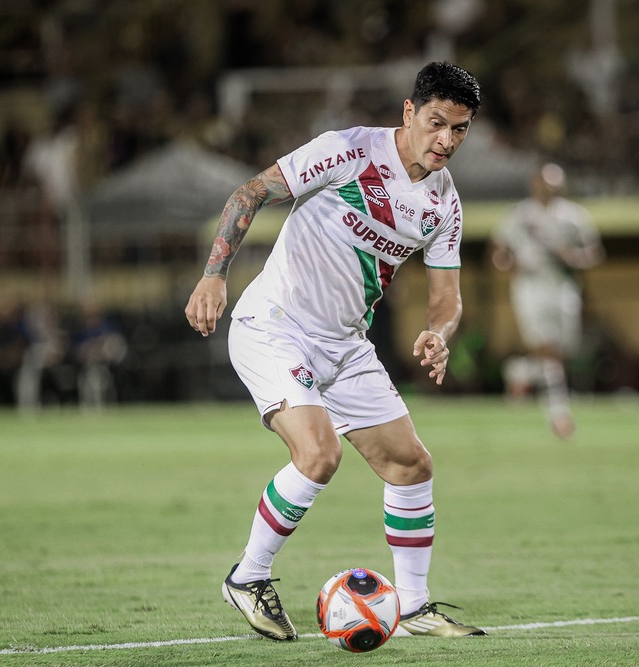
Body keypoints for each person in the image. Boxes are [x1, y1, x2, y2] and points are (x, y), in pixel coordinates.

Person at [185, 62, 486, 641]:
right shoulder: (348, 151)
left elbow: (448, 297)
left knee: (410, 463)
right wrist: (214, 276)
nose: (446, 140)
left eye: (460, 129)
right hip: (274, 324)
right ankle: (248, 577)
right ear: (408, 112)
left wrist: (438, 334)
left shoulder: (444, 203)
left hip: (345, 346)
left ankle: (415, 606)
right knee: (320, 454)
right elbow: (251, 192)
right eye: (436, 123)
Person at [490, 163, 604, 439]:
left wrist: (573, 257)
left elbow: (594, 252)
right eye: (543, 183)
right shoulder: (519, 215)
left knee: (564, 350)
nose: (547, 188)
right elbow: (498, 251)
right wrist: (507, 262)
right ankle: (559, 414)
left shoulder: (573, 216)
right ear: (534, 184)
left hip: (563, 288)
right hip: (530, 288)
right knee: (548, 348)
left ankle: (520, 371)